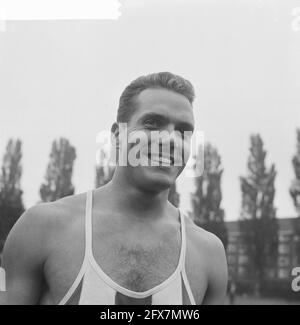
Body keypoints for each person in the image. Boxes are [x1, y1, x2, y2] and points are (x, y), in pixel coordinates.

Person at [2, 72, 228, 305]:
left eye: (183, 131)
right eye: (152, 123)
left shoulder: (208, 253)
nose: (171, 139)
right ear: (117, 135)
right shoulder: (43, 228)